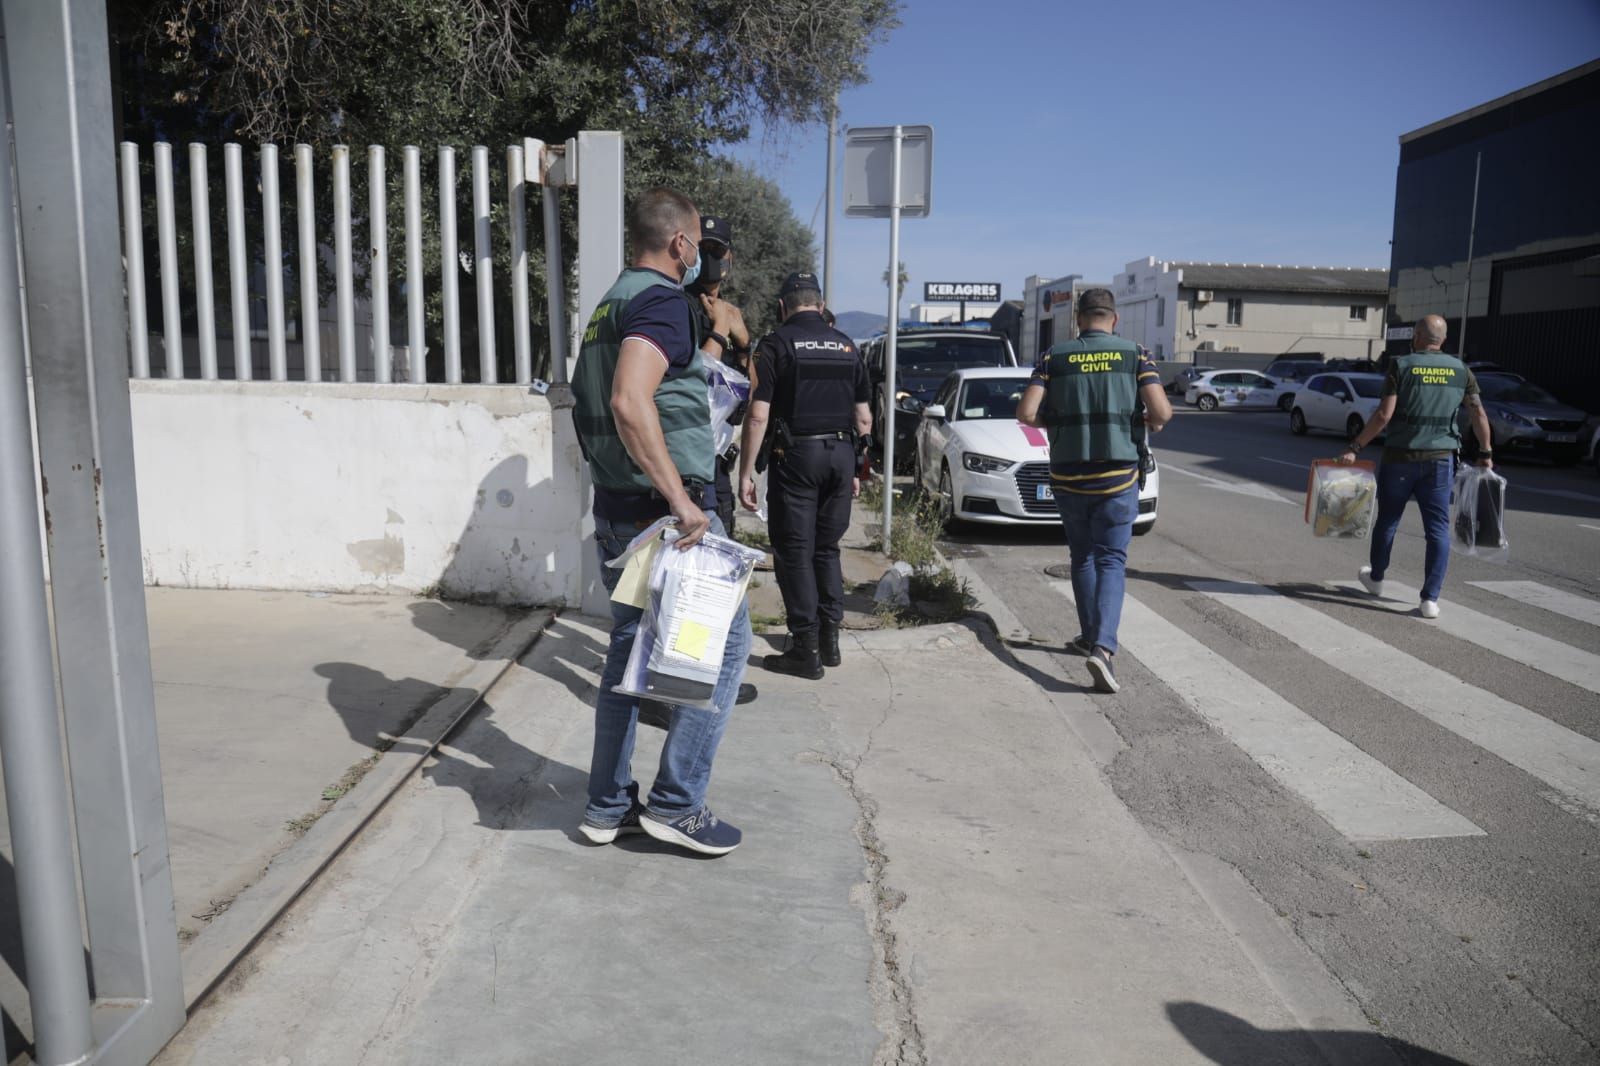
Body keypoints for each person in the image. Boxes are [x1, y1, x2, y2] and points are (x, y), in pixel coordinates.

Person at [568, 187, 747, 857]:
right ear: (679, 243)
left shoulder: (610, 301)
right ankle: (677, 804)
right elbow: (627, 399)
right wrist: (681, 499)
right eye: (698, 243)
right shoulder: (662, 300)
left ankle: (607, 806)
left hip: (617, 508)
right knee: (725, 647)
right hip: (664, 515)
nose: (702, 256)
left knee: (623, 653)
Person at [1017, 288, 1171, 694]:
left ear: (1078, 320)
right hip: (1117, 476)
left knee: (1082, 557)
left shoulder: (1055, 357)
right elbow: (1162, 413)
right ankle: (1103, 649)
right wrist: (1139, 418)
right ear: (1114, 319)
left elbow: (1027, 412)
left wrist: (1064, 419)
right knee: (1112, 561)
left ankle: (1089, 637)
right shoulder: (1134, 354)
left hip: (1068, 477)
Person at [739, 272, 872, 678]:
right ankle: (830, 643)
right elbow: (864, 416)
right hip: (841, 455)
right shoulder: (849, 346)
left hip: (797, 456)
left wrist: (747, 472)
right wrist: (856, 466)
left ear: (783, 306)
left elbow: (758, 413)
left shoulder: (775, 344)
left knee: (794, 551)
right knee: (826, 548)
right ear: (820, 302)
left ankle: (804, 649)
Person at [1339, 314, 1492, 619]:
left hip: (1400, 458)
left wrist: (1355, 447)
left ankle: (1377, 578)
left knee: (1388, 521)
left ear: (1417, 337)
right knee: (1437, 530)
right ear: (1443, 339)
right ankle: (1430, 599)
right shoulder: (1461, 370)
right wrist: (1485, 453)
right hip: (1439, 461)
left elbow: (1384, 415)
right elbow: (1478, 415)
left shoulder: (1402, 365)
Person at [685, 214, 754, 533]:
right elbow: (694, 378)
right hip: (689, 454)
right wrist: (720, 330)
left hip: (719, 457)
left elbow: (749, 389)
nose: (711, 258)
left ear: (730, 258)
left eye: (718, 250)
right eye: (704, 249)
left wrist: (743, 344)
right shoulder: (682, 305)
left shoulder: (728, 311)